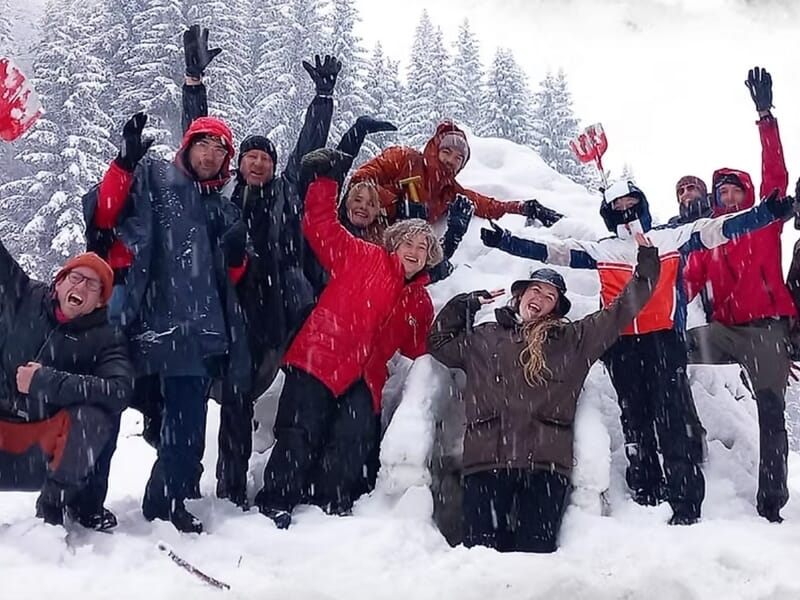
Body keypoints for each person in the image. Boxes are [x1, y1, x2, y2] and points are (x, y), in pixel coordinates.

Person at [482, 178, 795, 524]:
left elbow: (720, 228)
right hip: (622, 345)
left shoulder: (670, 238)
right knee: (635, 419)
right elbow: (553, 251)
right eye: (616, 206)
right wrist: (505, 241)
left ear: (642, 204)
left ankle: (686, 501)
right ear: (607, 213)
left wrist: (765, 213)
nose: (625, 210)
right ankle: (646, 491)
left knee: (674, 419)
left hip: (664, 339)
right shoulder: (603, 249)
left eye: (630, 202)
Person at [181, 25, 344, 508]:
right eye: (249, 155)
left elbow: (308, 144)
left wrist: (323, 98)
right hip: (224, 313)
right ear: (239, 162)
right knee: (217, 399)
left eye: (263, 157)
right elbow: (196, 142)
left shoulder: (287, 192)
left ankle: (252, 488)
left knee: (251, 398)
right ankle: (210, 487)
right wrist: (194, 82)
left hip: (273, 313)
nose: (257, 163)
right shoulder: (220, 192)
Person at [428, 236, 660, 552]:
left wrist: (647, 266)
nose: (540, 297)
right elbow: (438, 344)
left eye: (550, 296)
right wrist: (462, 306)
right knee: (479, 556)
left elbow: (620, 311)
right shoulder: (484, 337)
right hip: (486, 462)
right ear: (521, 295)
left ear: (555, 308)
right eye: (535, 290)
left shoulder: (573, 340)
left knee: (535, 556)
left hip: (544, 466)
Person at [253, 148, 443, 528]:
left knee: (353, 439)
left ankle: (332, 505)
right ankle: (276, 501)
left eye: (424, 248)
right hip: (320, 356)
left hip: (364, 375)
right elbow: (319, 226)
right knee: (299, 432)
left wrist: (458, 314)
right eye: (409, 243)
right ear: (394, 244)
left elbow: (421, 348)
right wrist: (325, 180)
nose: (415, 251)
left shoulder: (420, 300)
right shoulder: (362, 255)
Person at [82, 111, 250, 533]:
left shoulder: (224, 211)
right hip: (134, 317)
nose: (210, 155)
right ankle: (84, 502)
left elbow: (227, 278)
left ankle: (167, 502)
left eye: (219, 149)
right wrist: (123, 164)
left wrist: (236, 256)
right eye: (203, 144)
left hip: (193, 331)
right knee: (105, 412)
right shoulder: (152, 178)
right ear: (187, 146)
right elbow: (104, 213)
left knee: (187, 430)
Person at [684, 67, 795, 523]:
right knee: (666, 352)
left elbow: (776, 173)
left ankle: (771, 502)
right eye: (721, 192)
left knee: (771, 413)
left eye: (733, 190)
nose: (727, 197)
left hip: (767, 331)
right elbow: (685, 279)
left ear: (746, 193)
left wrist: (765, 115)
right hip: (726, 332)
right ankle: (689, 447)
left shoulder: (763, 219)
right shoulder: (708, 238)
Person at [0, 249, 132, 528]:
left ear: (99, 302)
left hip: (40, 451)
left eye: (92, 285)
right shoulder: (22, 293)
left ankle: (52, 508)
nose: (81, 286)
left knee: (95, 417)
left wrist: (44, 382)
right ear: (58, 282)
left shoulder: (107, 337)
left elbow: (118, 390)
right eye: (76, 277)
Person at [348, 120, 563, 226]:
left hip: (396, 250)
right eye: (446, 152)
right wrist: (396, 203)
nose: (451, 160)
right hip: (357, 227)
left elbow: (486, 204)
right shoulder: (404, 158)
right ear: (435, 149)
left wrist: (524, 208)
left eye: (458, 158)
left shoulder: (449, 192)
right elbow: (359, 180)